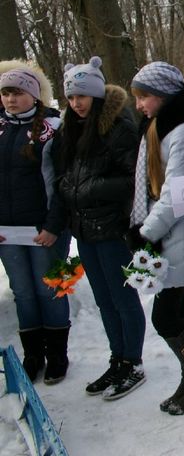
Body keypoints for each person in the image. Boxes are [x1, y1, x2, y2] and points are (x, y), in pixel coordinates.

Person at [129, 62, 184, 415]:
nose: (139, 105)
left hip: (175, 233)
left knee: (166, 317)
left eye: (145, 97)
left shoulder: (183, 133)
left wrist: (145, 232)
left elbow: (178, 195)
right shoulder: (160, 127)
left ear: (165, 96)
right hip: (164, 232)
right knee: (178, 308)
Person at [57, 56, 145, 400]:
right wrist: (70, 189)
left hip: (112, 228)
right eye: (70, 97)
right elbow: (65, 174)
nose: (76, 103)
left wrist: (89, 188)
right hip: (84, 229)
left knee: (123, 298)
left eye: (81, 96)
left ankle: (133, 362)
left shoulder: (118, 128)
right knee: (104, 300)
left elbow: (131, 179)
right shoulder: (70, 129)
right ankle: (117, 358)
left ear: (95, 95)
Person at [0, 62, 72, 383]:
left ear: (34, 94)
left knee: (51, 290)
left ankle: (57, 354)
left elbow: (63, 181)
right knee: (23, 292)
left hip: (44, 228)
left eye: (17, 93)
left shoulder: (54, 128)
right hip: (7, 232)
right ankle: (32, 354)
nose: (10, 99)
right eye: (5, 93)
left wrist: (53, 226)